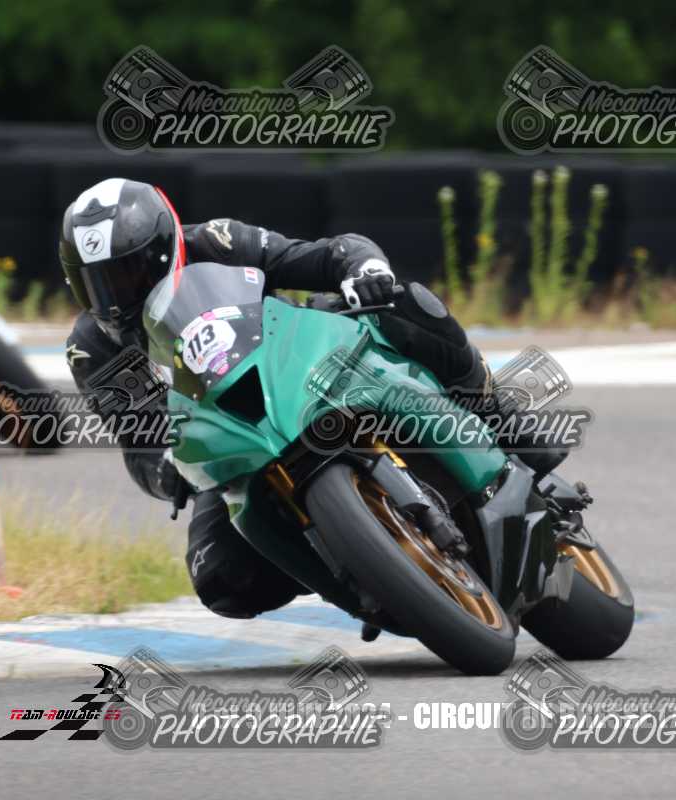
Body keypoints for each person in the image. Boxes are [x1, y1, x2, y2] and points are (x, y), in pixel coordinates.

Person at [60, 177, 507, 619]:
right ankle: (363, 571)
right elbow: (138, 444)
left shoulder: (217, 242)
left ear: (163, 249)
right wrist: (165, 471)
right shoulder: (92, 349)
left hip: (301, 365)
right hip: (229, 442)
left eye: (127, 273)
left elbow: (326, 255)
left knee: (406, 303)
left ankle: (498, 413)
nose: (114, 298)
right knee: (221, 581)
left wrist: (364, 269)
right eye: (95, 284)